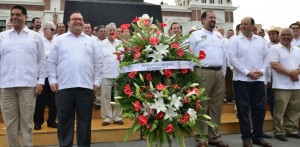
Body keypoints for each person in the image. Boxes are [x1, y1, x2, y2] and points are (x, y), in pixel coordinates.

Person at [47, 11, 101, 146]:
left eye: (80, 19)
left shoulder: (92, 41)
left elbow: (98, 63)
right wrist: (52, 80)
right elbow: (51, 62)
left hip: (86, 87)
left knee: (85, 122)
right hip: (64, 87)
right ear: (68, 23)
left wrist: (97, 81)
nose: (78, 21)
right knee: (64, 122)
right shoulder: (59, 40)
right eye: (74, 19)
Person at [0, 5, 46, 147]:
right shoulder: (2, 37)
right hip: (6, 87)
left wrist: (41, 82)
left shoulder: (36, 37)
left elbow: (42, 61)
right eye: (12, 14)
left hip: (28, 86)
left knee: (26, 124)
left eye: (18, 14)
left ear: (25, 18)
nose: (14, 17)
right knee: (10, 125)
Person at [228, 17, 271, 147]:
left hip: (258, 80)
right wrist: (247, 73)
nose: (242, 26)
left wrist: (262, 71)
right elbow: (232, 59)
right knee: (243, 110)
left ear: (253, 26)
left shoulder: (261, 41)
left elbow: (267, 57)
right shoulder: (235, 40)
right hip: (241, 80)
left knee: (260, 109)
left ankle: (257, 136)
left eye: (245, 24)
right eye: (241, 24)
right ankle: (246, 138)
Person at [189, 10, 228, 147]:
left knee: (216, 107)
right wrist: (193, 75)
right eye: (210, 17)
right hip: (203, 72)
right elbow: (191, 57)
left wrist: (223, 73)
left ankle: (215, 137)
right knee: (202, 106)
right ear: (203, 20)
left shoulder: (218, 36)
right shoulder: (195, 35)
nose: (213, 20)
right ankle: (201, 138)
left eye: (214, 18)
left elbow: (224, 56)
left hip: (218, 73)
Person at [269, 28, 300, 141]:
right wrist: (290, 73)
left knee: (295, 109)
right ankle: (278, 131)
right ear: (280, 36)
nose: (286, 37)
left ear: (292, 37)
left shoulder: (297, 49)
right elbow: (274, 64)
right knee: (279, 110)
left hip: (297, 84)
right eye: (284, 35)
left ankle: (291, 129)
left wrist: (297, 71)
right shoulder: (274, 48)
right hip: (281, 85)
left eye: (288, 35)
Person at [33, 22, 58, 130]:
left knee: (54, 101)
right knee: (40, 101)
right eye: (51, 29)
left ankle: (52, 120)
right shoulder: (39, 41)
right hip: (42, 76)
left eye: (54, 30)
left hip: (54, 77)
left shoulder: (56, 41)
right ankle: (38, 121)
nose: (53, 32)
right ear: (45, 30)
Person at [99, 22, 124, 126]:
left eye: (114, 30)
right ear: (106, 32)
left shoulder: (121, 44)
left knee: (119, 97)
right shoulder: (100, 45)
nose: (112, 32)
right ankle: (107, 117)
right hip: (105, 74)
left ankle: (118, 116)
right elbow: (98, 61)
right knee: (105, 97)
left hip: (119, 74)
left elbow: (124, 60)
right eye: (110, 30)